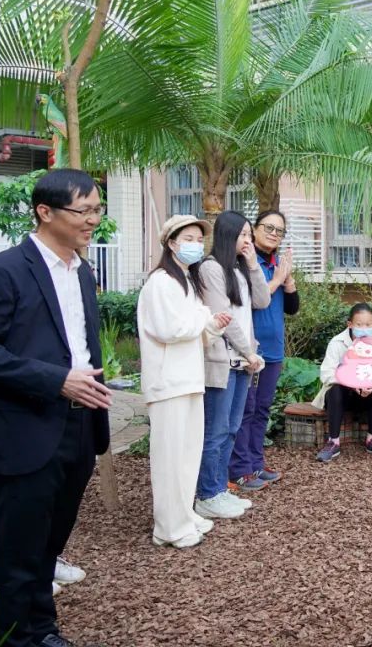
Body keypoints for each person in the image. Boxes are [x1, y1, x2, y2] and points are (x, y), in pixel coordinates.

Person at [0, 169, 113, 647]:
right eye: (84, 211)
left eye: (98, 210)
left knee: (49, 546)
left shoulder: (81, 270)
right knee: (17, 551)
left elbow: (78, 344)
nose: (94, 220)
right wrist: (56, 380)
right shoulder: (4, 270)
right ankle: (10, 636)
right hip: (25, 430)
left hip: (80, 425)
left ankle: (39, 629)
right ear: (45, 212)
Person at [138, 215, 232, 549]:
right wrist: (203, 318)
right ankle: (169, 527)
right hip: (168, 382)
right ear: (171, 242)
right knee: (170, 457)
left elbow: (193, 328)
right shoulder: (162, 282)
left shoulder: (185, 281)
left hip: (188, 379)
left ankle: (184, 514)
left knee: (187, 454)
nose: (195, 244)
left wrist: (213, 324)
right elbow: (170, 329)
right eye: (188, 238)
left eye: (198, 238)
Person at [194, 211, 270, 520]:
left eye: (250, 236)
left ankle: (219, 489)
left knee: (232, 429)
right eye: (244, 235)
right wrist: (248, 352)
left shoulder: (240, 269)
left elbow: (262, 301)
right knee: (216, 430)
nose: (249, 241)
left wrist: (253, 266)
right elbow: (223, 318)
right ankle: (206, 494)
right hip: (223, 360)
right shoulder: (211, 268)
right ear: (227, 235)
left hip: (242, 362)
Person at [229, 210, 299, 492]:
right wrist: (278, 276)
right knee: (245, 410)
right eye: (268, 227)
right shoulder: (245, 262)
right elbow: (256, 301)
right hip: (250, 351)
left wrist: (288, 279)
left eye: (279, 230)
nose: (274, 233)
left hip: (274, 350)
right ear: (254, 230)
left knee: (261, 410)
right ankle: (240, 469)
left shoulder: (276, 263)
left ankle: (256, 463)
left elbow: (292, 308)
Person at [314, 304, 372, 461]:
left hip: (367, 395)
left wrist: (371, 384)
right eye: (359, 325)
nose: (364, 329)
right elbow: (326, 374)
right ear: (350, 324)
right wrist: (351, 383)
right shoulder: (337, 342)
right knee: (335, 389)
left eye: (368, 325)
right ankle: (333, 442)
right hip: (343, 397)